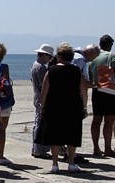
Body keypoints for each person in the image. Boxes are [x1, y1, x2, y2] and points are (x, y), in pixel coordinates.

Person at [37, 43, 89, 173]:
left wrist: (42, 106)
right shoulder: (77, 71)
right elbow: (83, 90)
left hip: (54, 105)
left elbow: (44, 91)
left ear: (59, 56)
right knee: (72, 134)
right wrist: (84, 106)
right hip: (73, 106)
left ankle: (55, 164)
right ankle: (71, 162)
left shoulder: (51, 70)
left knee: (54, 135)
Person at [87, 35, 115, 158]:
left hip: (97, 90)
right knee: (109, 121)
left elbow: (91, 78)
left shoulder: (93, 58)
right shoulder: (111, 56)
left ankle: (96, 148)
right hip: (110, 91)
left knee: (96, 120)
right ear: (110, 44)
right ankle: (107, 148)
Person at [30, 44, 54, 159]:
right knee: (40, 123)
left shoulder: (36, 65)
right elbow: (44, 85)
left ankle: (36, 148)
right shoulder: (41, 68)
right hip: (41, 97)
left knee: (38, 122)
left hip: (37, 95)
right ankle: (39, 149)